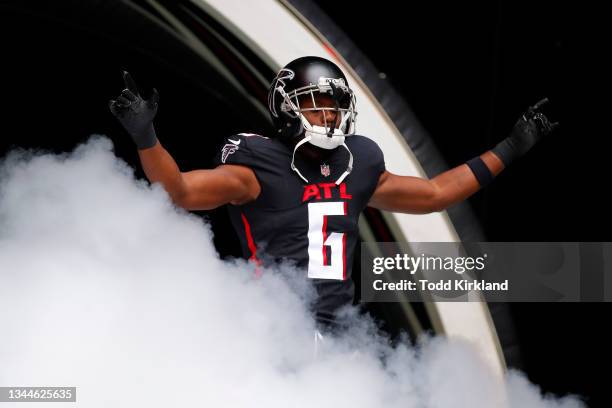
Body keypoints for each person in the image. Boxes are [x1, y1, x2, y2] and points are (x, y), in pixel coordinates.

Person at [109, 56, 558, 333]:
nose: (327, 114)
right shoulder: (256, 167)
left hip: (342, 327)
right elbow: (181, 191)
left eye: (334, 104)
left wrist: (509, 148)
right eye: (314, 103)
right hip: (277, 326)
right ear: (286, 106)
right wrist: (147, 137)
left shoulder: (358, 162)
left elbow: (435, 194)